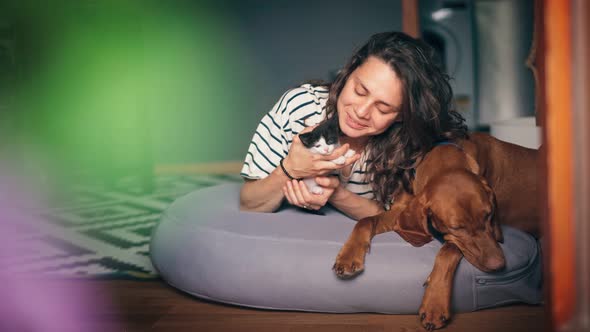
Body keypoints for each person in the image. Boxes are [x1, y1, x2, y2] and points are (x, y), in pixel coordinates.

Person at [239, 31, 467, 220]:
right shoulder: (301, 107)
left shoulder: (404, 143)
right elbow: (250, 202)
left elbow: (395, 216)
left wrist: (336, 193)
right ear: (348, 73)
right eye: (360, 91)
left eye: (383, 108)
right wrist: (290, 169)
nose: (361, 112)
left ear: (400, 116)